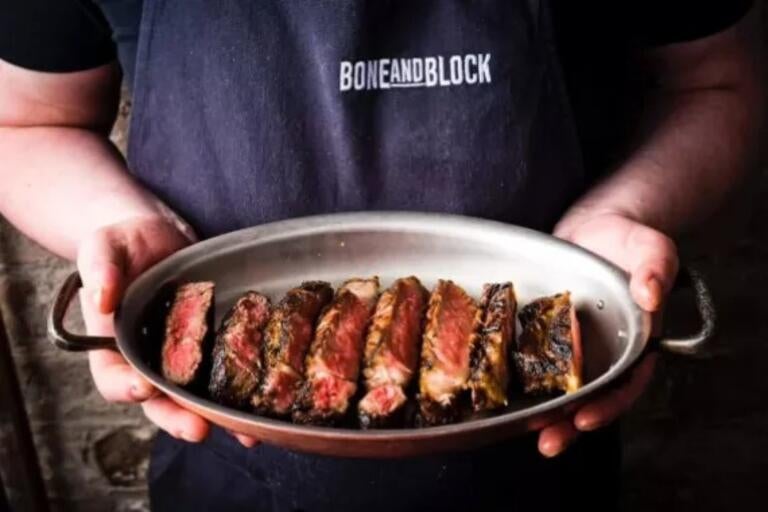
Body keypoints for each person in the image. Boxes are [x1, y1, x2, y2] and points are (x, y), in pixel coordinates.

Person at [0, 1, 762, 510]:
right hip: (231, 472)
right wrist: (119, 228)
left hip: (544, 469)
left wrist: (625, 214)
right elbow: (25, 122)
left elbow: (717, 78)